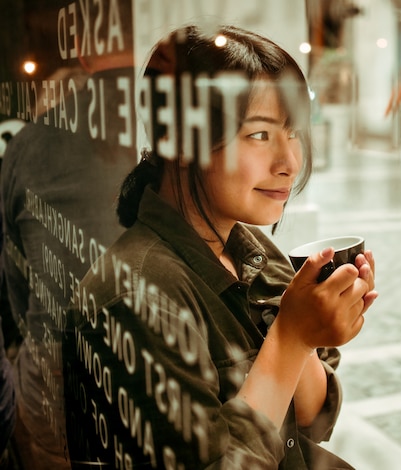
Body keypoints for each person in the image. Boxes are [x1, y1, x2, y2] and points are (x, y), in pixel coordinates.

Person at [63, 24, 377, 469]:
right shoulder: (136, 297)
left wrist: (307, 330)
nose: (289, 162)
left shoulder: (250, 252)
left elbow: (312, 420)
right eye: (260, 135)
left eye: (293, 133)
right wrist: (290, 337)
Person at [1, 4, 136, 468]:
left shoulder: (29, 143)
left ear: (79, 48)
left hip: (52, 380)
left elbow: (16, 277)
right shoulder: (179, 129)